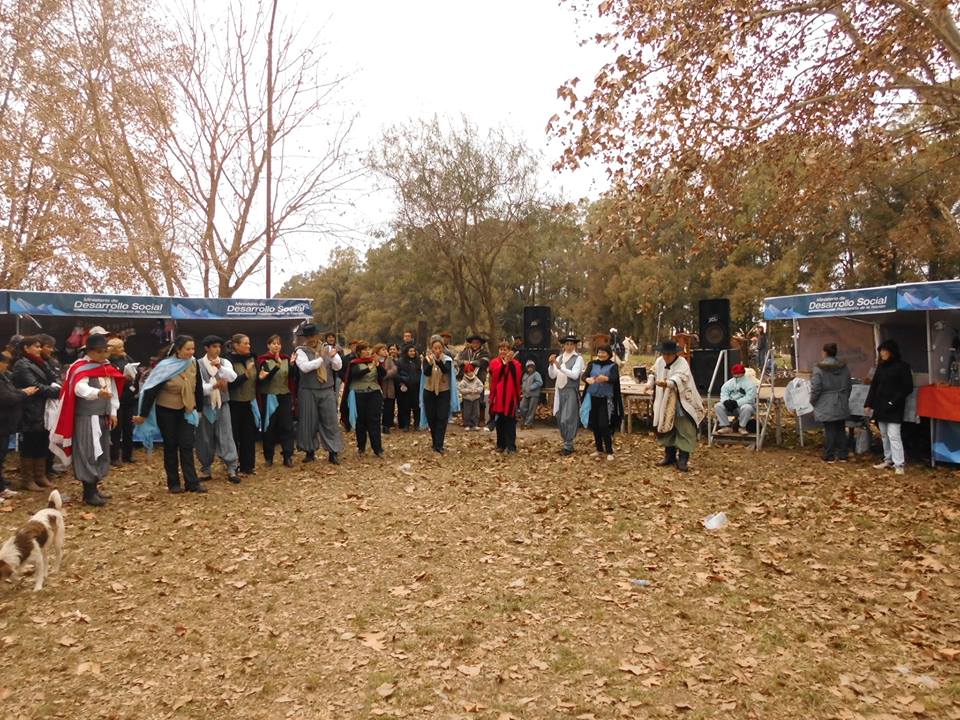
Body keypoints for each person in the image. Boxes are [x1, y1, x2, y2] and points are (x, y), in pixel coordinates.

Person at [48, 334, 124, 506]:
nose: (103, 355)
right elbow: (78, 388)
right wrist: (96, 393)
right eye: (99, 352)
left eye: (106, 352)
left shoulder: (105, 367)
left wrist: (113, 411)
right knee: (88, 450)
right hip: (86, 416)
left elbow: (112, 390)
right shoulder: (80, 367)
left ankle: (95, 487)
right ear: (89, 351)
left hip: (102, 415)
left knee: (101, 450)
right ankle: (88, 491)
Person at [134, 335, 206, 493]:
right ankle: (173, 483)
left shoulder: (193, 363)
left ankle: (192, 482)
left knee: (187, 445)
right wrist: (143, 414)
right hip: (166, 410)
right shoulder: (165, 366)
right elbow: (151, 389)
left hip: (187, 410)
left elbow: (198, 386)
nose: (191, 352)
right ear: (178, 349)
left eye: (193, 349)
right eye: (187, 349)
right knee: (171, 445)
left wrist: (199, 409)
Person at [643, 339, 704, 471]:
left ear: (674, 354)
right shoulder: (660, 361)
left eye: (669, 354)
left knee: (684, 429)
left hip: (681, 402)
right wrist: (649, 383)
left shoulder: (682, 363)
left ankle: (683, 459)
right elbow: (653, 373)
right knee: (666, 427)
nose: (666, 357)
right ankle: (669, 456)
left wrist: (668, 383)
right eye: (664, 354)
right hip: (664, 401)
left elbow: (680, 377)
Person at [12, 336, 61, 491]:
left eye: (40, 346)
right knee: (30, 443)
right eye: (36, 346)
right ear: (26, 348)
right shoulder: (22, 365)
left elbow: (52, 379)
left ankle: (40, 476)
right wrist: (56, 391)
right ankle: (27, 479)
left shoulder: (41, 363)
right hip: (30, 410)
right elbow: (35, 386)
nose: (40, 349)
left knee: (42, 441)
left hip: (43, 410)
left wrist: (56, 387)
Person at [293, 324, 344, 465]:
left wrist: (330, 357)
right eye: (308, 337)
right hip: (308, 390)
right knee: (308, 421)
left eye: (313, 336)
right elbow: (305, 368)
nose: (311, 339)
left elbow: (338, 366)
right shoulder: (300, 351)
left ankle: (333, 452)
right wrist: (324, 358)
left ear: (318, 336)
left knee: (330, 421)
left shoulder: (327, 348)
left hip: (327, 388)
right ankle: (310, 451)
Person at [196, 335, 241, 485]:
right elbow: (198, 387)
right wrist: (213, 386)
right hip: (206, 405)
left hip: (222, 404)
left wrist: (219, 367)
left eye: (219, 347)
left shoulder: (224, 362)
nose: (217, 349)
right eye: (214, 346)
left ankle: (231, 468)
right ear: (206, 348)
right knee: (204, 438)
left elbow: (232, 377)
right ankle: (206, 468)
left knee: (226, 435)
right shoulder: (198, 364)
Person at [864, 339, 912, 475]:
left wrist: (893, 401)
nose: (882, 354)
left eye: (884, 351)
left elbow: (907, 387)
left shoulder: (903, 367)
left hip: (894, 407)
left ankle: (899, 464)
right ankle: (888, 459)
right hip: (880, 406)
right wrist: (868, 403)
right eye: (881, 351)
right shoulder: (881, 367)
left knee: (894, 435)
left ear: (892, 351)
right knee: (884, 435)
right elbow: (874, 386)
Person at [0, 351, 37, 498]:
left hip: (5, 426)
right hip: (1, 424)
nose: (7, 366)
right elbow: (6, 397)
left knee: (1, 458)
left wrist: (19, 392)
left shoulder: (4, 377)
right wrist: (24, 393)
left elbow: (11, 392)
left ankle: (2, 488)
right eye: (5, 363)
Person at [340, 341, 385, 457]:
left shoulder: (374, 362)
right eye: (364, 349)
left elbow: (383, 375)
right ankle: (361, 447)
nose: (367, 351)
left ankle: (377, 448)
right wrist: (370, 367)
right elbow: (356, 374)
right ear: (359, 352)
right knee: (361, 422)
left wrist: (378, 366)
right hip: (359, 395)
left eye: (368, 349)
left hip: (374, 393)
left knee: (374, 421)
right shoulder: (354, 363)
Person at [810, 342, 852, 463]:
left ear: (824, 352)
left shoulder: (819, 368)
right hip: (841, 399)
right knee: (840, 427)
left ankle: (829, 454)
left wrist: (813, 401)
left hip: (825, 400)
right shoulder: (844, 367)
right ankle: (843, 454)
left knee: (829, 428)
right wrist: (844, 398)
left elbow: (816, 387)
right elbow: (849, 385)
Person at [257, 334, 295, 468]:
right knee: (269, 427)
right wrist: (277, 366)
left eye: (278, 343)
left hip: (284, 395)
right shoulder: (263, 360)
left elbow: (292, 377)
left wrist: (292, 365)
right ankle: (269, 457)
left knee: (287, 427)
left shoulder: (286, 359)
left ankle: (288, 456)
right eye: (273, 343)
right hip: (270, 396)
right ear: (268, 345)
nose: (276, 346)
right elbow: (264, 379)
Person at [226, 334, 259, 476]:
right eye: (245, 343)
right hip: (234, 403)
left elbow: (255, 379)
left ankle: (248, 466)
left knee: (248, 435)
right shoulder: (228, 361)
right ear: (236, 345)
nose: (248, 346)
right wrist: (246, 374)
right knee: (234, 436)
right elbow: (230, 384)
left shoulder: (251, 359)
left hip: (248, 402)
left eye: (249, 343)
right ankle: (233, 465)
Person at [582, 344, 623, 460]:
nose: (601, 354)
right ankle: (599, 449)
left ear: (608, 353)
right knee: (595, 425)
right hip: (592, 397)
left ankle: (609, 451)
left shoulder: (613, 366)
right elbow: (583, 375)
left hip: (606, 399)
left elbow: (614, 378)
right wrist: (587, 379)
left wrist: (606, 379)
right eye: (599, 352)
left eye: (603, 352)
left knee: (604, 425)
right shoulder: (592, 364)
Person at [420, 336, 460, 453]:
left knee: (442, 418)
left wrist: (438, 361)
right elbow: (426, 373)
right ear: (431, 348)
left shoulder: (447, 360)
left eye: (439, 347)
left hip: (443, 392)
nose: (437, 350)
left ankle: (439, 445)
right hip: (429, 392)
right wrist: (432, 361)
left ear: (442, 348)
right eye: (435, 348)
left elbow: (445, 370)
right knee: (432, 418)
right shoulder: (426, 359)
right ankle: (434, 442)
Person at [548, 335, 585, 456]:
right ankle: (566, 442)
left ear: (574, 345)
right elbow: (553, 375)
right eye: (567, 344)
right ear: (563, 345)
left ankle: (569, 444)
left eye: (571, 344)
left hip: (570, 390)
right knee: (560, 416)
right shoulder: (559, 358)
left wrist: (561, 367)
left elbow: (575, 375)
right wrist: (551, 365)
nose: (569, 346)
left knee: (568, 417)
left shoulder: (578, 358)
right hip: (560, 390)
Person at [107, 337, 139, 465]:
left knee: (128, 427)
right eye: (120, 347)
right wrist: (122, 378)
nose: (123, 349)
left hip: (128, 398)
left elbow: (135, 369)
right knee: (116, 429)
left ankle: (128, 454)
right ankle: (114, 456)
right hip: (117, 398)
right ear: (113, 350)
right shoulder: (108, 362)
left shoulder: (126, 358)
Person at [488, 342, 522, 453]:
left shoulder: (516, 363)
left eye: (505, 349)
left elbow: (518, 376)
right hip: (499, 396)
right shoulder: (494, 362)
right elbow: (495, 375)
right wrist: (504, 364)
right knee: (500, 421)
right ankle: (500, 445)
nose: (503, 351)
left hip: (510, 397)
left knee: (510, 421)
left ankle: (511, 445)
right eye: (501, 349)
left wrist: (510, 363)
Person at [714, 363, 757, 436]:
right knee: (718, 406)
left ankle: (742, 427)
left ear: (743, 373)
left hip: (744, 407)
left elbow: (749, 398)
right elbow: (724, 394)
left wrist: (736, 403)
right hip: (731, 407)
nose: (737, 375)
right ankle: (725, 426)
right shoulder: (728, 383)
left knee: (747, 407)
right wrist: (726, 402)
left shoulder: (750, 384)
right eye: (735, 373)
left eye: (739, 373)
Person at [396, 344, 421, 431]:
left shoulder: (418, 361)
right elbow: (397, 374)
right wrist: (402, 383)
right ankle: (406, 424)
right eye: (410, 351)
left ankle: (416, 424)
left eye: (414, 351)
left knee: (416, 407)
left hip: (416, 387)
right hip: (405, 387)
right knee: (405, 407)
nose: (412, 353)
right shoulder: (400, 361)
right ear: (406, 352)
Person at [457, 363, 484, 430]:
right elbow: (460, 389)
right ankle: (467, 424)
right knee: (467, 412)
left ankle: (475, 424)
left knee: (476, 412)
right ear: (466, 373)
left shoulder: (477, 379)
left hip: (476, 398)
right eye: (468, 372)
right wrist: (468, 391)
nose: (470, 373)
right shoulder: (463, 381)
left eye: (471, 371)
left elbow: (481, 386)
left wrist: (476, 390)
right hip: (467, 399)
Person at [380, 344, 399, 435]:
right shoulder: (374, 359)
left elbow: (394, 370)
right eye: (383, 350)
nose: (385, 352)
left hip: (388, 386)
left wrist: (383, 376)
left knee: (388, 406)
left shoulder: (389, 360)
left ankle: (386, 425)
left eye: (385, 350)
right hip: (376, 386)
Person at [518, 360, 543, 429]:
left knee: (531, 409)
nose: (530, 368)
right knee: (522, 407)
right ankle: (524, 420)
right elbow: (523, 383)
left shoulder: (536, 374)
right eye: (528, 367)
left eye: (532, 367)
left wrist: (531, 387)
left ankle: (528, 423)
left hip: (534, 394)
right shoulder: (525, 375)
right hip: (526, 394)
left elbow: (540, 382)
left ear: (534, 367)